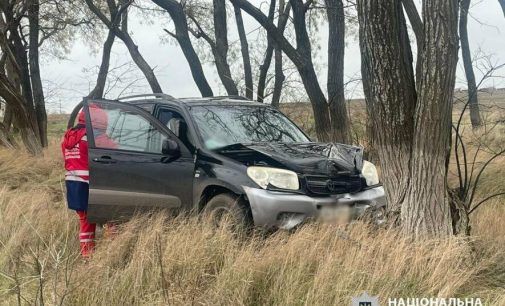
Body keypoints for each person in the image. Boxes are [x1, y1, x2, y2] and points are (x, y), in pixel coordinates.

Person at [62, 110, 95, 257]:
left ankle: (87, 253)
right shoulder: (90, 137)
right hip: (86, 183)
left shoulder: (67, 138)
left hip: (72, 182)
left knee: (84, 219)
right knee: (96, 218)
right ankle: (88, 255)